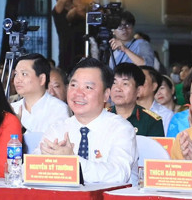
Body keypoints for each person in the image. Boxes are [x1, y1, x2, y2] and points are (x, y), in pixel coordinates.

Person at [40, 57, 137, 185]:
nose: (78, 93)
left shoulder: (121, 129)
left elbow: (119, 174)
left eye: (88, 87)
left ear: (106, 95)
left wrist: (72, 163)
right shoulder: (57, 129)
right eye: (73, 85)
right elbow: (32, 168)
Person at [10, 53, 69, 133]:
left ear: (42, 79)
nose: (17, 80)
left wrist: (20, 129)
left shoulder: (59, 109)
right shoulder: (12, 109)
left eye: (24, 74)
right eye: (16, 74)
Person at [109, 63, 164, 137]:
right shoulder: (100, 117)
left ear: (138, 91)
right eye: (114, 83)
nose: (117, 88)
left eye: (125, 84)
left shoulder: (151, 121)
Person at [137, 65, 174, 133]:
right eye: (135, 80)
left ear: (154, 86)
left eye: (142, 79)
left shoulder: (166, 115)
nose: (137, 84)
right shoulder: (124, 112)